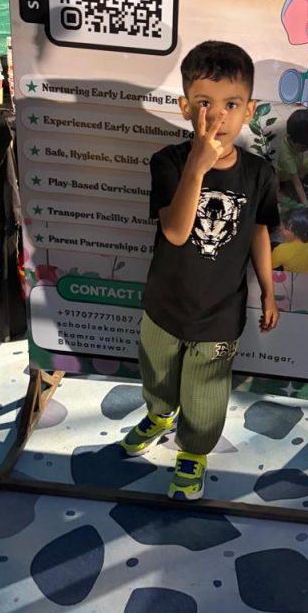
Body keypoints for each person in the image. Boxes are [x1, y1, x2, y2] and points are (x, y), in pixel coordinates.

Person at [121, 41, 280, 500]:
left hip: (219, 315)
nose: (218, 117)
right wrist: (197, 167)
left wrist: (269, 291)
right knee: (157, 376)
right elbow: (175, 231)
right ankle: (159, 415)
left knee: (206, 396)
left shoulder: (259, 173)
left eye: (231, 104)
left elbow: (259, 231)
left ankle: (193, 452)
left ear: (249, 110)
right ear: (186, 107)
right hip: (164, 305)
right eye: (205, 103)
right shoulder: (169, 163)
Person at [275, 108, 308, 204]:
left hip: (296, 170)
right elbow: (297, 184)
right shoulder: (287, 159)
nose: (307, 149)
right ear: (292, 139)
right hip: (286, 179)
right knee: (293, 198)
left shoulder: (291, 136)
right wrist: (305, 203)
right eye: (304, 146)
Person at [270, 206, 308, 275]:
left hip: (299, 279)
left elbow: (269, 265)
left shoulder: (280, 251)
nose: (280, 228)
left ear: (296, 232)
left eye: (284, 228)